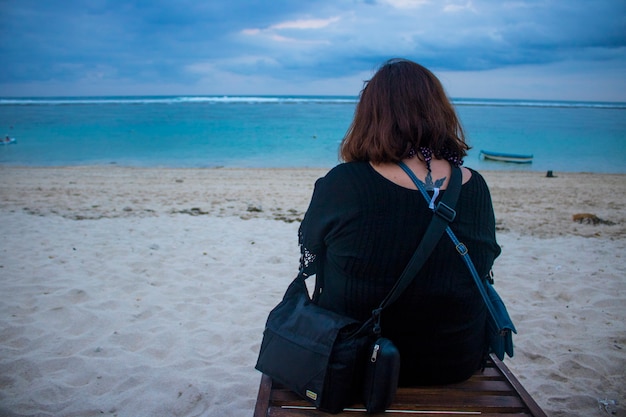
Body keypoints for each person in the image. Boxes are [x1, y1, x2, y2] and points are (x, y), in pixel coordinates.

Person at [298, 58, 501, 385]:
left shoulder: (344, 183)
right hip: (454, 362)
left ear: (370, 116)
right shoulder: (473, 185)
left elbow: (310, 254)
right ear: (439, 112)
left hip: (357, 363)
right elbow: (486, 260)